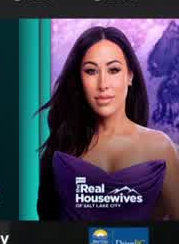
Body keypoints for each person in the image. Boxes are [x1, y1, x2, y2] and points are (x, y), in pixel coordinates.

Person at [37, 25, 179, 221]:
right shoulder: (62, 148)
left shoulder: (160, 147)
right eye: (91, 71)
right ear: (79, 78)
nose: (103, 84)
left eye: (113, 70)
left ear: (130, 76)